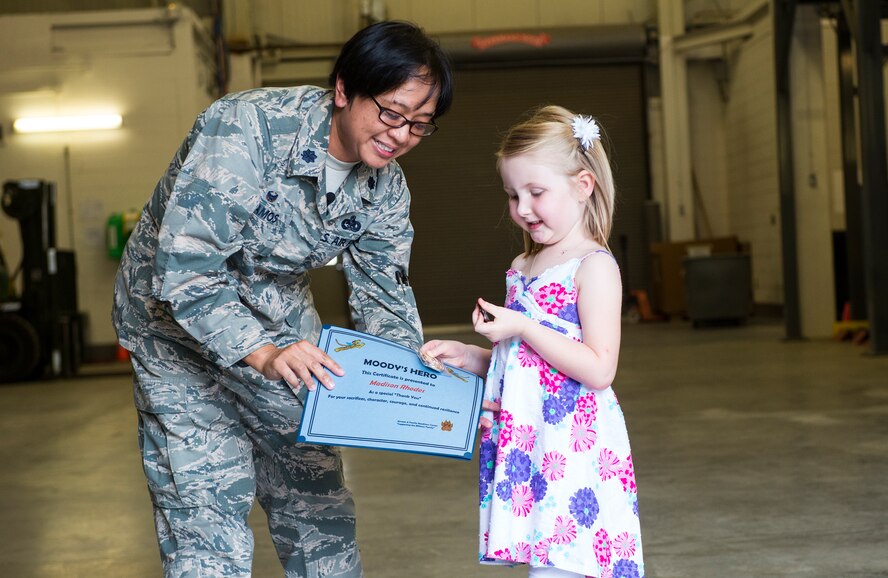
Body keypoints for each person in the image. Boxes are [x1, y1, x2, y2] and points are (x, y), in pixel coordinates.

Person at [112, 20, 453, 578]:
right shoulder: (246, 129)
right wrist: (263, 354)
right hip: (172, 330)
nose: (401, 135)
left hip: (278, 317)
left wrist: (432, 396)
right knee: (207, 510)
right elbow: (186, 270)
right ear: (344, 90)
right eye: (392, 113)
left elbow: (385, 301)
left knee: (316, 500)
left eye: (420, 124)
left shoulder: (385, 188)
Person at [421, 106, 644, 578]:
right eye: (512, 194)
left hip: (574, 448)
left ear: (583, 186)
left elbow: (600, 368)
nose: (522, 208)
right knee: (545, 560)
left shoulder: (593, 266)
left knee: (570, 560)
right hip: (530, 439)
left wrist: (522, 327)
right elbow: (526, 361)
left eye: (536, 192)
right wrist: (473, 357)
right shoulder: (525, 266)